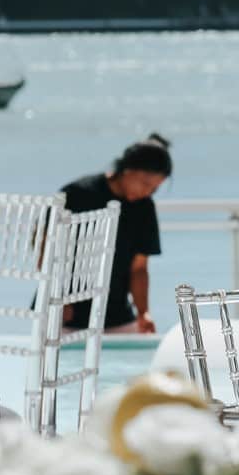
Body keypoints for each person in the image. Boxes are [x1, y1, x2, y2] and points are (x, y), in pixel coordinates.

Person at [63, 133, 172, 332]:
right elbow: (46, 246)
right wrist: (59, 298)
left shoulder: (144, 208)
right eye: (146, 184)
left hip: (116, 313)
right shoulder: (78, 194)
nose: (147, 192)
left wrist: (143, 313)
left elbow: (139, 268)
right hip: (65, 311)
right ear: (127, 170)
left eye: (154, 189)